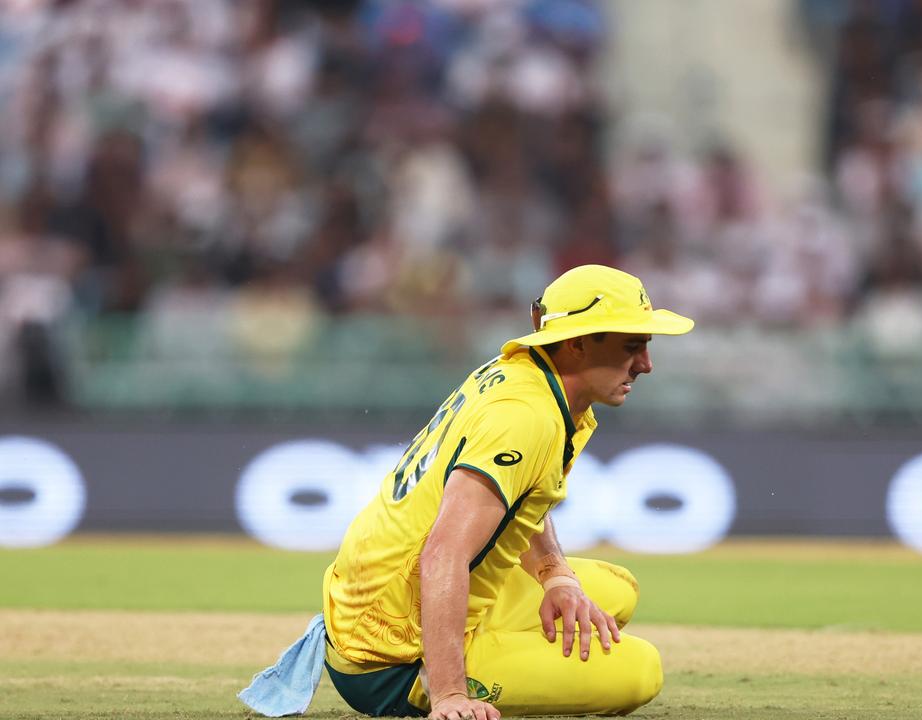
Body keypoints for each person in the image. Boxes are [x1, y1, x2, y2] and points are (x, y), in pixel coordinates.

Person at [242, 264, 693, 719]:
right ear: (577, 343)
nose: (646, 364)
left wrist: (555, 574)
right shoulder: (525, 417)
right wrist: (450, 695)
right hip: (388, 655)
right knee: (641, 671)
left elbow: (522, 498)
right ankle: (436, 677)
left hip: (387, 594)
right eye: (632, 346)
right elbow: (442, 553)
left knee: (617, 592)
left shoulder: (531, 380)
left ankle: (501, 649)